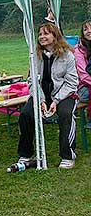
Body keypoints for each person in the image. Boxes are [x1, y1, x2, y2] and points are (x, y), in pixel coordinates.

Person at [17, 23, 78, 169]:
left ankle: (68, 155)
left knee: (65, 114)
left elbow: (72, 82)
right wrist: (41, 100)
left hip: (64, 94)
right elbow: (32, 81)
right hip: (41, 95)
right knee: (26, 114)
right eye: (40, 34)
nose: (42, 37)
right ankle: (26, 154)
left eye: (46, 34)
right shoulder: (35, 56)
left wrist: (56, 100)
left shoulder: (67, 55)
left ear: (55, 36)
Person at [74, 19, 91, 126]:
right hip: (83, 89)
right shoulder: (78, 51)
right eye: (85, 29)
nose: (89, 31)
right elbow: (84, 76)